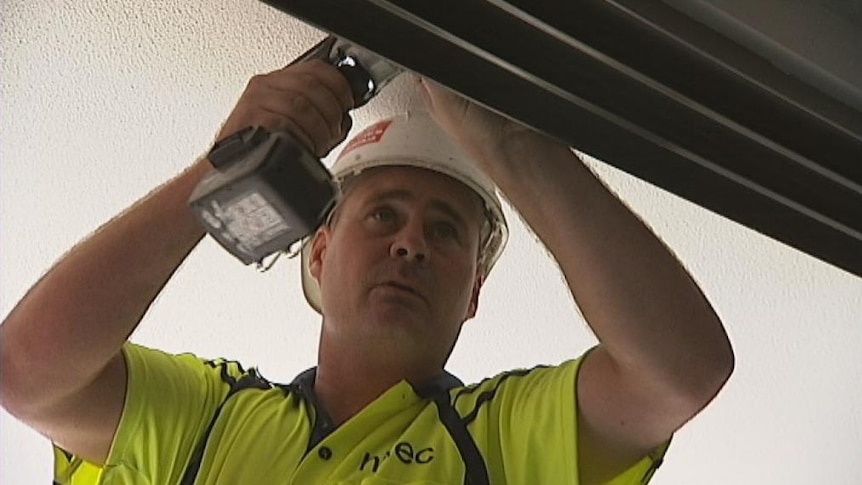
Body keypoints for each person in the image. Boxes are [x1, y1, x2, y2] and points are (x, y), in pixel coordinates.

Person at [0, 59, 734, 484]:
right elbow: (27, 372)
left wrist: (512, 144)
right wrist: (222, 170)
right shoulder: (211, 416)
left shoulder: (503, 438)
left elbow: (678, 372)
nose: (411, 243)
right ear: (317, 251)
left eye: (446, 231)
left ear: (473, 292)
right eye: (383, 214)